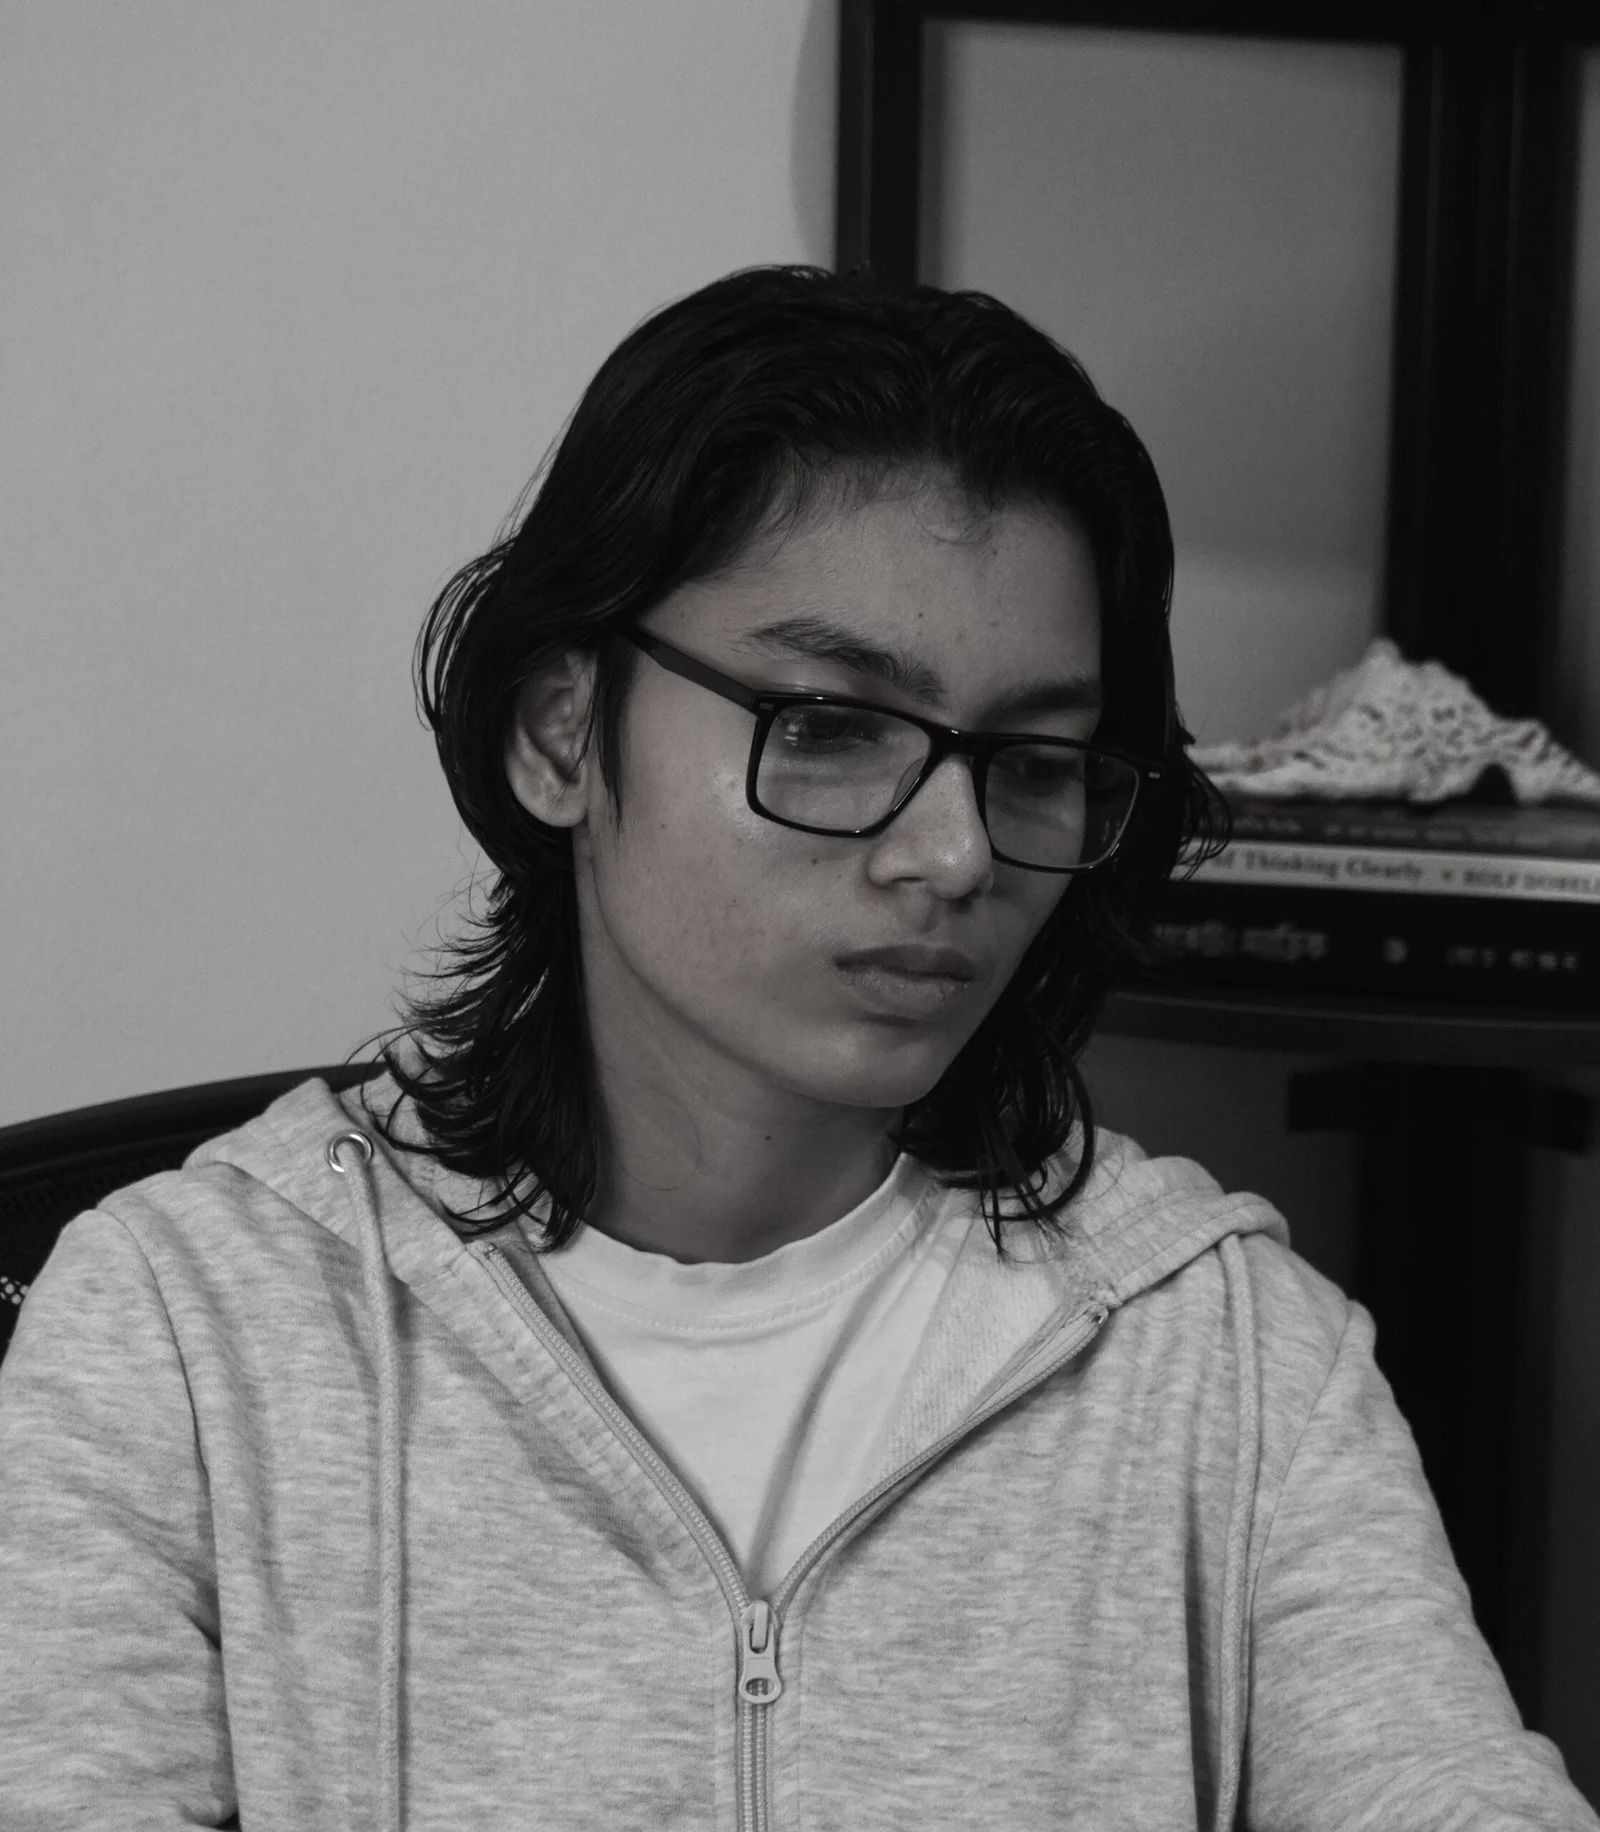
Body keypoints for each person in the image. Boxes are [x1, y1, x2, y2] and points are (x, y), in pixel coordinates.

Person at [0, 264, 1593, 1832]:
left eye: (1034, 761)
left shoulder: (1232, 1360)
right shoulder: (184, 1332)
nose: (954, 855)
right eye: (827, 727)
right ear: (562, 733)